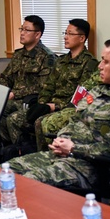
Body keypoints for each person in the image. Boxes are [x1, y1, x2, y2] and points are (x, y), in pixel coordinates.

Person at [9, 37, 110, 192]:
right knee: (8, 170)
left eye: (105, 61)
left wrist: (73, 148)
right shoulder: (99, 90)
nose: (100, 66)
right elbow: (76, 119)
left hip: (91, 168)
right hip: (63, 156)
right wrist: (62, 140)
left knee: (28, 182)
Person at [19, 18, 99, 153]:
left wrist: (54, 107)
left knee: (40, 123)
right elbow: (48, 86)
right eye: (65, 33)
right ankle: (23, 152)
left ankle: (46, 155)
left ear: (81, 38)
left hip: (67, 108)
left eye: (70, 34)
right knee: (18, 118)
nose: (65, 37)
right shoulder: (61, 61)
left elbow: (81, 96)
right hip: (49, 105)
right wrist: (42, 104)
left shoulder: (89, 63)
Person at [0, 15, 56, 147]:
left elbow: (42, 87)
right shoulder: (18, 55)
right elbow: (6, 77)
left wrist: (15, 94)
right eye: (21, 29)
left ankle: (19, 149)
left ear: (37, 34)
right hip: (13, 98)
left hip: (29, 101)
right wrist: (1, 91)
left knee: (12, 119)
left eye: (27, 30)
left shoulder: (47, 57)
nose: (22, 33)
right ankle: (6, 147)